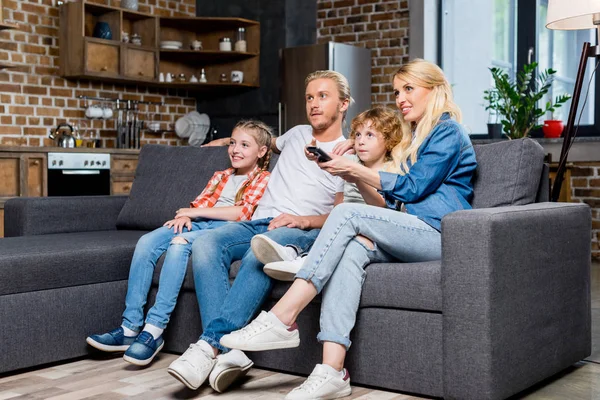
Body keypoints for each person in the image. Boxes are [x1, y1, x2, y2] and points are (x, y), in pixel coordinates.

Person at [221, 59, 478, 400]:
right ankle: (332, 370)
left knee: (346, 213)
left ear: (435, 89)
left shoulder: (448, 131)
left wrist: (351, 166)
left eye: (409, 89)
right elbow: (390, 198)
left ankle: (284, 316)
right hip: (410, 229)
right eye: (397, 91)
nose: (400, 98)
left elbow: (412, 188)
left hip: (440, 234)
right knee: (353, 249)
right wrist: (352, 162)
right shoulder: (417, 137)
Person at [165, 70, 352, 394]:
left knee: (259, 252)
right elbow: (262, 142)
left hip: (298, 230)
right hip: (258, 221)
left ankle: (209, 346)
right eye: (309, 97)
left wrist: (303, 220)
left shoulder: (346, 153)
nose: (314, 104)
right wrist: (222, 142)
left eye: (323, 96)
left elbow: (339, 215)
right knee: (207, 244)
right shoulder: (294, 135)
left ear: (344, 104)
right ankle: (231, 353)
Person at [85, 120, 273, 366]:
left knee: (179, 243)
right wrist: (186, 215)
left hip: (223, 229)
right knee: (147, 241)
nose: (236, 150)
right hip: (198, 222)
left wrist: (194, 214)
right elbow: (199, 203)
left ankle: (153, 330)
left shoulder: (263, 178)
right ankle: (129, 328)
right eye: (233, 143)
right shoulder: (221, 175)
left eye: (244, 145)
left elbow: (244, 213)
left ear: (261, 152)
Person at [258, 106, 403, 281]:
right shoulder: (350, 160)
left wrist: (357, 177)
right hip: (340, 222)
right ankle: (294, 253)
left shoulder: (392, 170)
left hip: (368, 225)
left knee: (340, 230)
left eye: (369, 135)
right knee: (323, 229)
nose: (361, 141)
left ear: (388, 141)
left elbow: (381, 206)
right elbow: (336, 208)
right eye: (357, 135)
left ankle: (304, 259)